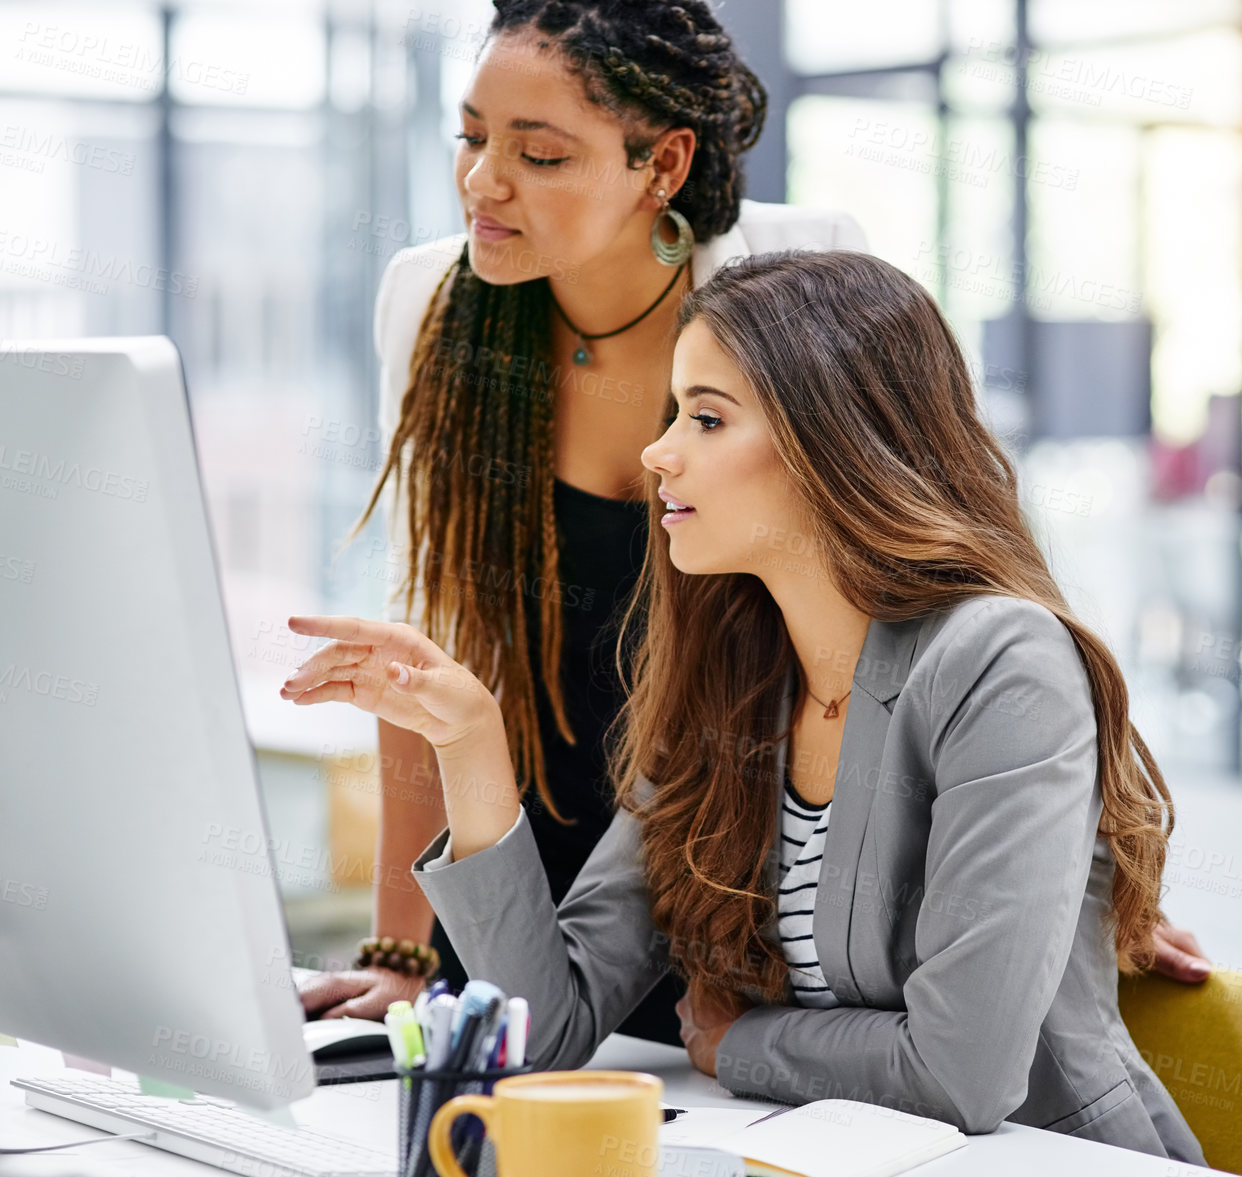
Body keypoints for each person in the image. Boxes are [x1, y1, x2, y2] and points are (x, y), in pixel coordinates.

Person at [282, 248, 1207, 1160]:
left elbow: (963, 1073)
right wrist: (471, 745)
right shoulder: (731, 679)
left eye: (708, 418)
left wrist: (739, 1043)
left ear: (835, 442)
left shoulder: (1001, 663)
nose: (658, 450)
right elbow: (546, 1031)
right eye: (673, 412)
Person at [293, 0, 868, 1045]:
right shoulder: (431, 299)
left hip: (722, 896)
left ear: (663, 163)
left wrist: (1078, 859)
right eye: (471, 136)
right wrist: (401, 952)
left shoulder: (796, 282)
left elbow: (950, 593)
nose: (482, 181)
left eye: (540, 155)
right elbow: (431, 653)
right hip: (504, 882)